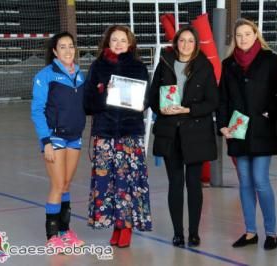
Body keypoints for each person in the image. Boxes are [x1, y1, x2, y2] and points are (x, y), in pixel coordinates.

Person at [149, 26, 219, 247]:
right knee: (175, 184)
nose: (186, 45)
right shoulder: (165, 64)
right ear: (176, 43)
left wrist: (188, 110)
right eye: (182, 40)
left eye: (190, 41)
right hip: (170, 132)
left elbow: (212, 102)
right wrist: (163, 109)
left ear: (196, 44)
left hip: (196, 133)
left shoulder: (204, 67)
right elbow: (153, 97)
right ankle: (178, 233)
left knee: (194, 184)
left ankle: (194, 232)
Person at [84, 25, 152, 248]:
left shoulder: (139, 67)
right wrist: (105, 95)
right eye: (114, 40)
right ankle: (115, 225)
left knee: (128, 183)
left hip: (129, 135)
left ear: (130, 43)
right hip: (104, 134)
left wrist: (140, 102)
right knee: (107, 183)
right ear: (107, 42)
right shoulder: (97, 67)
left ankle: (127, 227)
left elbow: (146, 100)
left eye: (123, 40)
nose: (119, 43)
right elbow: (88, 104)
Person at [216, 19, 277, 250]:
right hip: (238, 130)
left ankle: (271, 232)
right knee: (245, 182)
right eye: (239, 35)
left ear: (255, 35)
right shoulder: (228, 64)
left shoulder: (270, 60)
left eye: (247, 34)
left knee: (261, 181)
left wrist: (269, 113)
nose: (243, 39)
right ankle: (250, 232)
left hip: (263, 130)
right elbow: (222, 98)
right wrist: (222, 125)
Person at [31, 32, 86, 249]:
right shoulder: (46, 75)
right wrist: (45, 141)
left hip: (74, 137)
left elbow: (88, 103)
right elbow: (37, 110)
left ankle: (65, 232)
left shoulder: (81, 75)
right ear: (54, 51)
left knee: (65, 185)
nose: (67, 50)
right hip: (54, 137)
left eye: (70, 46)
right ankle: (52, 236)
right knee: (56, 184)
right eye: (62, 47)